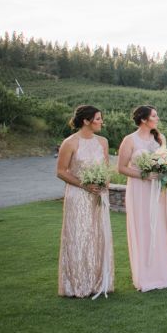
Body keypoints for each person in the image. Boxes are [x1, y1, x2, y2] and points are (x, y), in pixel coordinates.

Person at [117, 105, 167, 292]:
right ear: (143, 120)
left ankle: (164, 272)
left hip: (159, 190)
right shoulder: (129, 140)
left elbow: (166, 161)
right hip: (140, 190)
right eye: (154, 116)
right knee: (144, 227)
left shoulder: (160, 138)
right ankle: (146, 275)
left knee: (161, 227)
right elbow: (121, 168)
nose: (158, 118)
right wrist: (144, 176)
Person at [55, 105, 114, 299]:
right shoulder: (70, 143)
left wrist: (104, 183)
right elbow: (61, 171)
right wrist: (84, 185)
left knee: (98, 236)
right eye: (98, 118)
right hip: (78, 196)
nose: (101, 121)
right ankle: (77, 284)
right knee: (79, 236)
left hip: (98, 196)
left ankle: (98, 282)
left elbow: (106, 168)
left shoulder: (103, 142)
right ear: (86, 121)